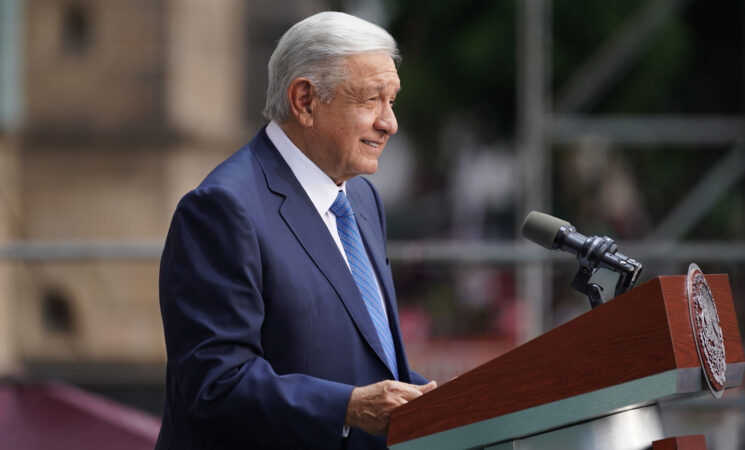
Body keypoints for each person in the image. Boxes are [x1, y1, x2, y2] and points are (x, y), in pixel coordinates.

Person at [156, 11, 436, 450]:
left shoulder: (361, 199)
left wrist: (451, 400)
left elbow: (368, 359)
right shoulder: (222, 209)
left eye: (392, 101)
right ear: (305, 101)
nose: (389, 123)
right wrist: (346, 407)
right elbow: (216, 382)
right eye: (370, 100)